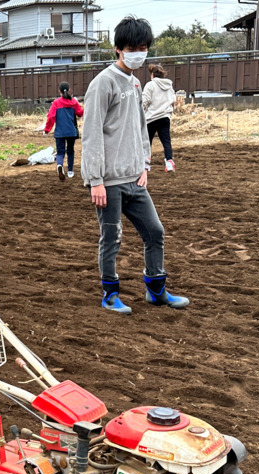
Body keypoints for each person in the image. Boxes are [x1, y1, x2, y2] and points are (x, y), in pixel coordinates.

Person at [81, 16, 189, 314]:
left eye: (143, 47)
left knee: (155, 231)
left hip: (134, 178)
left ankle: (156, 290)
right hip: (109, 181)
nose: (138, 53)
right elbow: (91, 133)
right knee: (112, 237)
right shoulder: (103, 83)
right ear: (118, 48)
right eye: (132, 47)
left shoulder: (135, 81)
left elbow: (141, 127)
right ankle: (110, 294)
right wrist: (95, 180)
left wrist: (144, 164)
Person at [44, 82, 83, 180]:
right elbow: (80, 113)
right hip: (71, 132)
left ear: (59, 91)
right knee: (70, 151)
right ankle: (70, 171)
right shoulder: (73, 102)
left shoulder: (56, 103)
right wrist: (78, 104)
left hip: (60, 132)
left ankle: (60, 165)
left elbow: (51, 117)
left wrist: (46, 130)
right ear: (69, 90)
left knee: (60, 152)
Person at [142, 63, 175, 172]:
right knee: (166, 141)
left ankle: (145, 164)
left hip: (151, 118)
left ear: (152, 75)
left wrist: (140, 113)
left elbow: (144, 102)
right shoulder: (169, 85)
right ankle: (169, 163)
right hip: (165, 117)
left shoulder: (150, 85)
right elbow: (173, 100)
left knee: (147, 142)